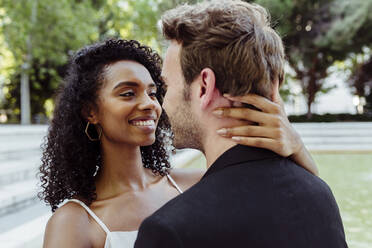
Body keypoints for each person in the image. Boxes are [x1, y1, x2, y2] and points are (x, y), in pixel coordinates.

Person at [40, 39, 317, 248]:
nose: (149, 104)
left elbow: (298, 205)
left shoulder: (198, 183)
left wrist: (297, 146)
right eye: (127, 93)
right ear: (91, 112)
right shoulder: (75, 223)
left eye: (153, 92)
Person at [134, 1, 347, 247]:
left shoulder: (169, 230)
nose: (161, 103)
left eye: (166, 86)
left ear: (204, 86)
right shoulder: (319, 195)